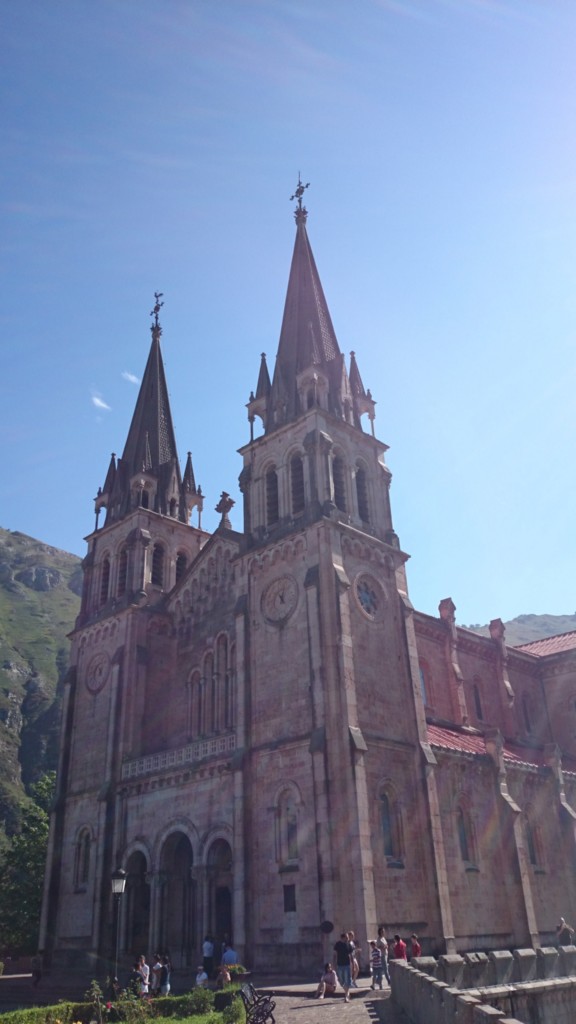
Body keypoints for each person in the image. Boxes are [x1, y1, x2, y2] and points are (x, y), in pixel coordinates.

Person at [333, 931, 353, 1002]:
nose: (348, 939)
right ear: (343, 938)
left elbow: (351, 955)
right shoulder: (337, 944)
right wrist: (334, 964)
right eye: (346, 937)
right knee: (340, 981)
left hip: (347, 964)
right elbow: (335, 955)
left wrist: (352, 965)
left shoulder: (348, 944)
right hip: (339, 965)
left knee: (347, 980)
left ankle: (346, 996)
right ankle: (347, 992)